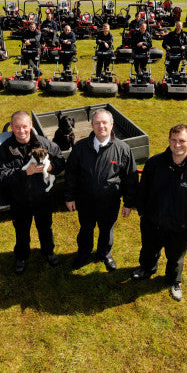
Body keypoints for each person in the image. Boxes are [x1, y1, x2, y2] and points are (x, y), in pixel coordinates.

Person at [129, 124, 187, 302]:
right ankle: (147, 269)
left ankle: (173, 281)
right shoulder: (155, 163)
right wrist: (143, 213)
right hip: (152, 222)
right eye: (173, 140)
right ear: (168, 140)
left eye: (182, 141)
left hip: (179, 228)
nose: (177, 145)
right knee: (149, 250)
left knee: (175, 258)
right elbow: (142, 190)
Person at [0, 111, 66, 274]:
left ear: (31, 125)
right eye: (17, 127)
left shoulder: (44, 143)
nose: (21, 131)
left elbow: (60, 160)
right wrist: (24, 172)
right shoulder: (5, 150)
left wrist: (51, 167)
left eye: (24, 126)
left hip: (42, 198)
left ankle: (48, 252)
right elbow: (1, 176)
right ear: (11, 127)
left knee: (46, 228)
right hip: (19, 200)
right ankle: (21, 257)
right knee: (21, 231)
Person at [64, 109, 137, 271]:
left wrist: (129, 202)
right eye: (97, 123)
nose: (101, 126)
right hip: (85, 201)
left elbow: (130, 178)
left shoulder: (123, 149)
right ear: (92, 125)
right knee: (86, 229)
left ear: (111, 125)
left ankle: (104, 253)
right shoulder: (80, 147)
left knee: (106, 229)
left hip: (109, 203)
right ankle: (83, 253)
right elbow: (71, 174)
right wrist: (69, 197)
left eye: (105, 123)